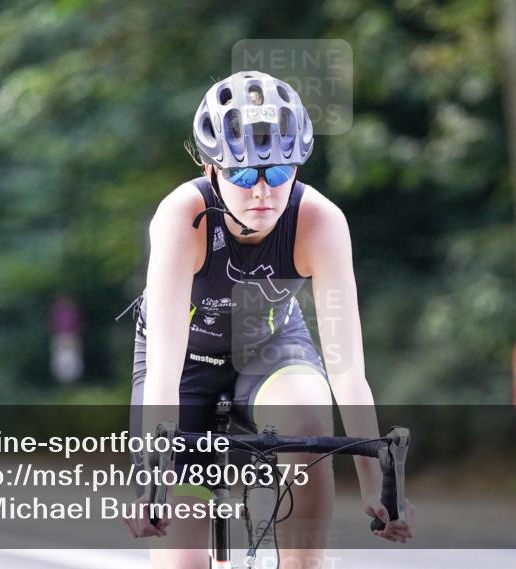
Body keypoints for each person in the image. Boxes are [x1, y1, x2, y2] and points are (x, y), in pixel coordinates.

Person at [122, 70, 414, 567]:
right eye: (243, 173)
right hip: (184, 362)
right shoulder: (181, 217)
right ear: (212, 170)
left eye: (278, 172)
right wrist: (154, 475)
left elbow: (347, 371)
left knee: (306, 413)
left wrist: (378, 485)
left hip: (272, 349)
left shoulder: (321, 221)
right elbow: (166, 370)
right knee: (182, 561)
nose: (262, 191)